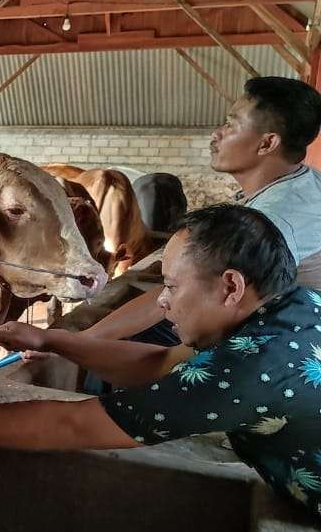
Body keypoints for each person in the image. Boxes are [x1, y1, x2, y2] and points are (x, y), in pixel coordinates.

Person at [0, 205, 321, 524]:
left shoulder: (250, 369)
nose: (162, 303)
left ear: (231, 286)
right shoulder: (298, 309)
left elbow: (75, 425)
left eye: (172, 286)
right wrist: (54, 339)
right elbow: (161, 360)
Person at [88, 76, 321, 342]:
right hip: (294, 323)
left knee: (133, 343)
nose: (217, 134)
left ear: (267, 143)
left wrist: (83, 339)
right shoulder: (305, 181)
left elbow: (183, 292)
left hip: (289, 339)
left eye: (231, 125)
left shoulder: (276, 216)